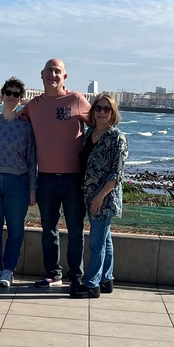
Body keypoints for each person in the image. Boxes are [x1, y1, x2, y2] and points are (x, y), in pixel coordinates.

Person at [23, 59, 91, 292]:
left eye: (57, 71)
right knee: (48, 230)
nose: (53, 74)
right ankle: (53, 275)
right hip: (46, 179)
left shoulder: (77, 100)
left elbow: (101, 124)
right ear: (41, 75)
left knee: (75, 231)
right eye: (49, 71)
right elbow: (12, 121)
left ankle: (76, 277)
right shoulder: (33, 106)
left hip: (73, 178)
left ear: (65, 77)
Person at [0, 77, 37, 287]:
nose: (12, 97)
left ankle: (8, 270)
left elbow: (32, 160)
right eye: (9, 93)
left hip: (17, 182)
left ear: (20, 100)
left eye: (16, 94)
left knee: (16, 229)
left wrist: (32, 190)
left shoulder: (25, 128)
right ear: (1, 96)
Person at [71, 93, 128, 298]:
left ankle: (91, 285)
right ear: (93, 111)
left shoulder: (117, 139)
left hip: (105, 198)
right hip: (89, 194)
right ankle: (106, 279)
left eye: (107, 109)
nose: (102, 112)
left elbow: (116, 173)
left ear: (113, 113)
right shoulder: (89, 134)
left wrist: (100, 196)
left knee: (96, 242)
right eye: (99, 108)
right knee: (105, 239)